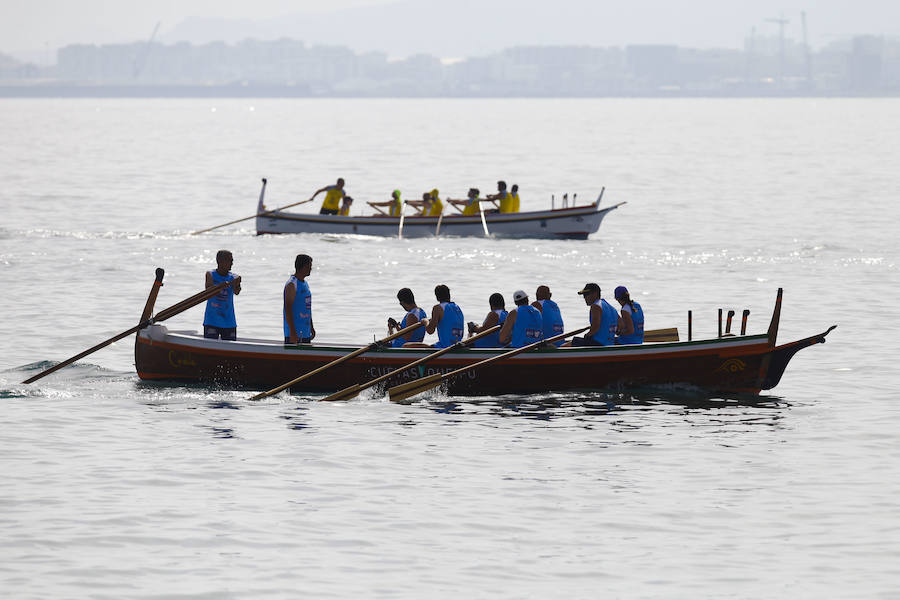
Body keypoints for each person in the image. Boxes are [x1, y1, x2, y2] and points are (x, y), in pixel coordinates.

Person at [408, 284, 464, 348]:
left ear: (437, 297)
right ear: (449, 295)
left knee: (406, 346)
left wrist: (425, 321)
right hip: (457, 345)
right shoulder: (457, 308)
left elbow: (430, 331)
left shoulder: (437, 308)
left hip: (444, 347)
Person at [563, 283, 618, 347]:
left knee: (572, 342)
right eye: (583, 295)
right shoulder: (612, 308)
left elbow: (595, 326)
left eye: (586, 294)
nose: (584, 298)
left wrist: (587, 335)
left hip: (597, 343)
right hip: (609, 343)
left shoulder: (595, 306)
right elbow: (621, 325)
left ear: (595, 294)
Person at [203, 250, 242, 340]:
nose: (232, 263)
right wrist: (222, 285)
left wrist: (237, 284)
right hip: (212, 320)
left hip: (229, 321)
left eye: (232, 261)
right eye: (229, 261)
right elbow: (208, 291)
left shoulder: (233, 277)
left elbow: (237, 292)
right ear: (220, 261)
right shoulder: (210, 274)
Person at [284, 254, 315, 344]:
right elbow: (288, 309)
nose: (311, 269)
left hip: (305, 332)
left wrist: (311, 327)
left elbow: (307, 307)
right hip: (295, 334)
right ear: (303, 267)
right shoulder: (292, 284)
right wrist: (292, 332)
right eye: (309, 266)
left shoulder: (305, 284)